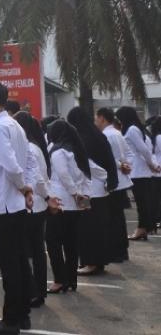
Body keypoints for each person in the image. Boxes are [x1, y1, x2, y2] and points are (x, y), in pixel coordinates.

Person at [0, 83, 33, 335]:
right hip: (15, 205)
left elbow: (11, 165)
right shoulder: (15, 124)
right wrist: (27, 188)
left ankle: (10, 320)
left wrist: (23, 187)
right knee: (20, 261)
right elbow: (26, 160)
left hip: (5, 205)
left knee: (11, 265)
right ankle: (21, 315)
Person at [67, 107, 118, 276]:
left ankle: (91, 262)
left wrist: (102, 176)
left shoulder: (83, 139)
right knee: (99, 227)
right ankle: (98, 261)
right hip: (100, 191)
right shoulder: (98, 135)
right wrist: (106, 178)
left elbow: (88, 165)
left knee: (87, 227)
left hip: (88, 190)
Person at [13, 111, 56, 310]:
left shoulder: (28, 147)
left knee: (27, 250)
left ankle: (33, 291)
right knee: (37, 250)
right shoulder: (36, 146)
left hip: (32, 204)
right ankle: (38, 290)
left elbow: (38, 178)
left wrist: (47, 197)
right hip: (38, 204)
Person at [45, 119, 90, 295]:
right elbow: (86, 176)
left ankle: (59, 280)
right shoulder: (77, 150)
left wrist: (74, 194)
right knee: (71, 242)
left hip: (60, 201)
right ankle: (71, 279)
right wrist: (83, 199)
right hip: (75, 204)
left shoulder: (57, 151)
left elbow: (63, 175)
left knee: (53, 241)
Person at [116, 106, 161, 240]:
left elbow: (144, 150)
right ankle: (145, 228)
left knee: (142, 203)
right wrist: (151, 164)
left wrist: (152, 164)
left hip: (137, 171)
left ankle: (142, 229)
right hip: (142, 170)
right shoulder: (138, 129)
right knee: (144, 202)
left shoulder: (131, 130)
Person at [95, 107, 133, 263]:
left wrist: (120, 165)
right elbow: (128, 153)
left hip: (112, 181)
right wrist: (126, 165)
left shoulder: (105, 135)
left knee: (112, 218)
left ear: (103, 118)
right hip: (121, 180)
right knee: (118, 217)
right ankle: (122, 250)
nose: (95, 121)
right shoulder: (117, 133)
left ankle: (116, 252)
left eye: (96, 118)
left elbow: (108, 157)